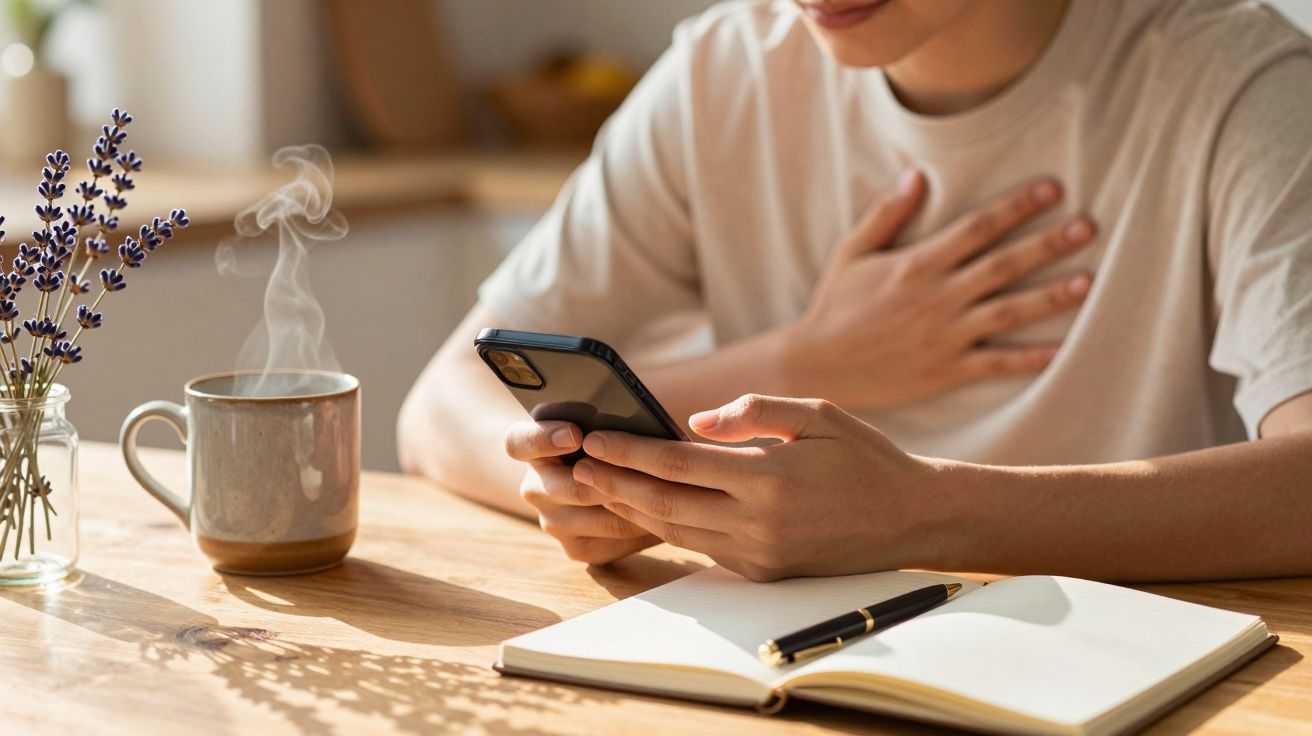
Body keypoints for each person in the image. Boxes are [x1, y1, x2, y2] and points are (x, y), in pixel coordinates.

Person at [399, 0, 1312, 582]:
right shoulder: (727, 68)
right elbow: (442, 407)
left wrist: (924, 514)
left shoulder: (1239, 82)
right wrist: (805, 359)